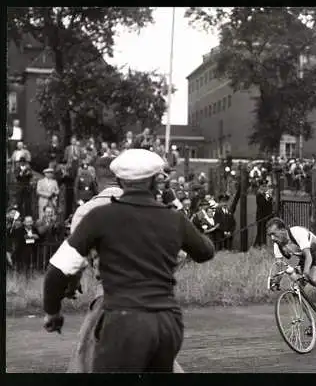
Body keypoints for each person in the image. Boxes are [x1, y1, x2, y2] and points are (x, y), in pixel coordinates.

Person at [43, 149, 215, 373]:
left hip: (122, 319)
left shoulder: (99, 217)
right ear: (155, 181)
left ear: (121, 181)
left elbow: (56, 271)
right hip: (167, 321)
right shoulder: (172, 218)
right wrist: (176, 207)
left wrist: (52, 312)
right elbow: (205, 251)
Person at [266, 218, 316, 317]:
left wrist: (305, 273)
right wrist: (276, 281)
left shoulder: (297, 232)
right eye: (270, 235)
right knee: (297, 290)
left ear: (283, 230)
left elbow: (308, 256)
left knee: (313, 278)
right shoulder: (277, 245)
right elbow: (280, 266)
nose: (272, 238)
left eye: (274, 234)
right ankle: (314, 323)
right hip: (302, 258)